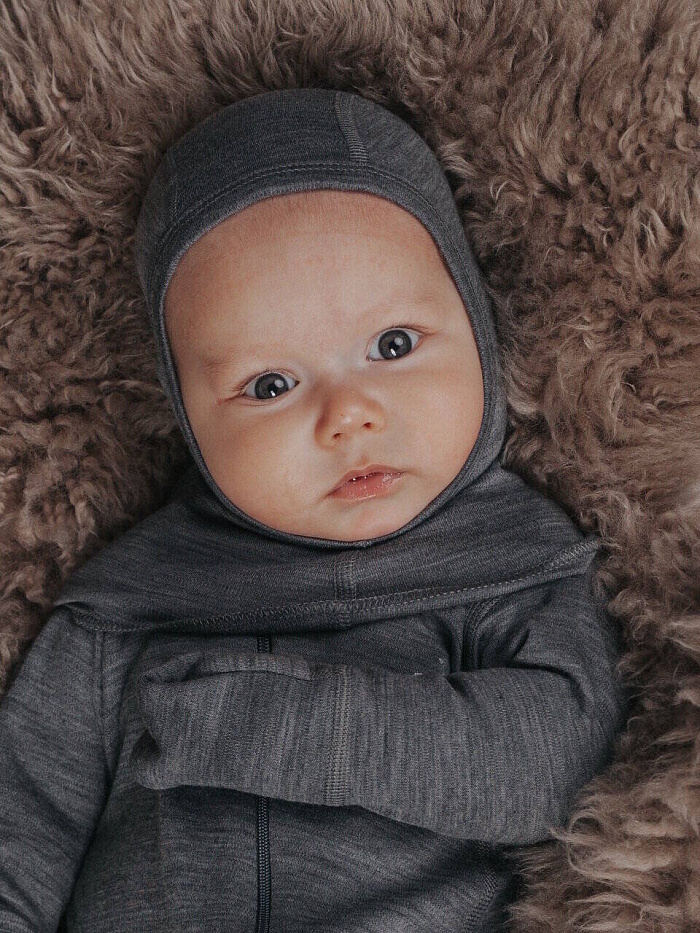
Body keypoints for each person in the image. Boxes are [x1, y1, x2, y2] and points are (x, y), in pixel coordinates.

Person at [0, 87, 629, 932]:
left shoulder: (516, 568)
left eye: (393, 346)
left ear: (479, 331)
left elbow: (557, 767)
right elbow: (21, 829)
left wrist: (291, 730)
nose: (347, 415)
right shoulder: (121, 611)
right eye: (270, 384)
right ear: (187, 417)